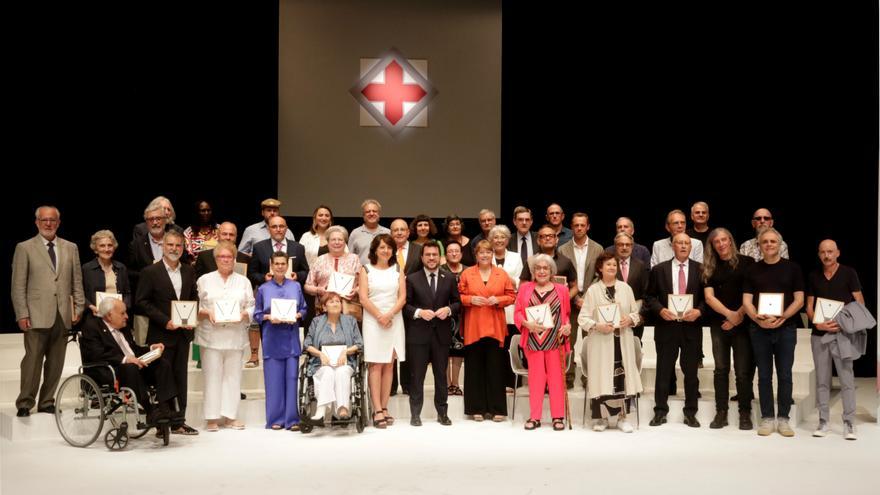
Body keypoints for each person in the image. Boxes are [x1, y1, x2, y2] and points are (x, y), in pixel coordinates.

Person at [11, 206, 84, 417]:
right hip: (35, 314)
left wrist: (77, 308)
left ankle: (47, 401)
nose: (48, 224)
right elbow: (18, 286)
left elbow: (76, 282)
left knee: (56, 362)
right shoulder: (24, 248)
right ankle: (25, 402)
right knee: (32, 361)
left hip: (62, 314)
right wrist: (22, 313)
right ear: (37, 222)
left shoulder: (71, 247)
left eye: (52, 220)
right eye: (44, 220)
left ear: (58, 223)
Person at [135, 230, 199, 435]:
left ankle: (179, 421)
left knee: (181, 378)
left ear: (183, 248)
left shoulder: (189, 271)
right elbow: (142, 302)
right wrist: (165, 321)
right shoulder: (150, 272)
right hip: (161, 335)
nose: (174, 249)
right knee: (163, 379)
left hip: (183, 335)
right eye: (170, 245)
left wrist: (192, 319)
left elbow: (193, 298)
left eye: (178, 245)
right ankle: (163, 423)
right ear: (163, 246)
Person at [742, 227, 804, 437]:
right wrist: (758, 318)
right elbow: (747, 302)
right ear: (759, 246)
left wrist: (783, 317)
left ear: (780, 245)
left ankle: (784, 419)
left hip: (786, 328)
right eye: (765, 242)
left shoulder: (793, 269)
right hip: (759, 329)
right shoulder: (752, 270)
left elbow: (799, 300)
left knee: (785, 375)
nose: (769, 245)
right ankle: (767, 418)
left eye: (772, 241)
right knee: (765, 376)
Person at [80, 298, 179, 425]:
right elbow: (96, 354)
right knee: (131, 367)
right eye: (122, 313)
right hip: (110, 371)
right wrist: (125, 359)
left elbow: (133, 351)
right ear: (109, 315)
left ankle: (166, 409)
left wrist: (150, 348)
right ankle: (151, 411)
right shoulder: (92, 327)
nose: (126, 316)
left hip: (133, 368)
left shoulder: (123, 328)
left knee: (162, 364)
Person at [578, 252, 643, 433]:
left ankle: (623, 417)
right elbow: (582, 319)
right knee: (601, 377)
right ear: (600, 268)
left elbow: (635, 314)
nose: (612, 267)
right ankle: (601, 419)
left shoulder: (625, 288)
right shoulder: (593, 290)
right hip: (601, 341)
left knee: (622, 377)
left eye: (614, 265)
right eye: (608, 265)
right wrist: (597, 325)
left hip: (622, 340)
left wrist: (629, 320)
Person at [805, 239, 864, 440]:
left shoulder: (849, 273)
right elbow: (809, 306)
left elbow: (859, 303)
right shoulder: (814, 275)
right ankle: (823, 421)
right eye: (823, 252)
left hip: (843, 334)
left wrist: (845, 323)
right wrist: (817, 323)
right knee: (822, 381)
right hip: (820, 335)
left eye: (830, 251)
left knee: (847, 380)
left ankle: (849, 422)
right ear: (819, 254)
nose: (827, 255)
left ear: (838, 252)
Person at [646, 233, 706, 428]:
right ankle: (660, 411)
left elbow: (707, 299)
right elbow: (649, 297)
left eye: (686, 243)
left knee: (691, 372)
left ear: (691, 247)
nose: (683, 246)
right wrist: (660, 309)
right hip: (666, 327)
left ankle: (691, 412)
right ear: (672, 246)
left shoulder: (701, 270)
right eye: (679, 243)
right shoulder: (658, 270)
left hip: (691, 328)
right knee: (663, 371)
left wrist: (699, 311)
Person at [195, 241, 255, 432]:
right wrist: (207, 313)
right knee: (212, 376)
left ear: (234, 259)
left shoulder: (243, 281)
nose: (225, 260)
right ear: (215, 259)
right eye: (221, 257)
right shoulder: (204, 280)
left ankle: (230, 417)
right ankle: (211, 418)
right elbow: (194, 305)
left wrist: (245, 314)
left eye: (229, 257)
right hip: (210, 336)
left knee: (233, 377)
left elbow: (252, 305)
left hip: (235, 336)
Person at [702, 228, 755, 430]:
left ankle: (744, 413)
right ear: (713, 245)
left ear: (731, 241)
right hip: (719, 324)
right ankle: (721, 412)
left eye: (725, 240)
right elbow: (709, 297)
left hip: (742, 324)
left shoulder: (748, 263)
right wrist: (729, 315)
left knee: (742, 372)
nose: (722, 244)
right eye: (717, 241)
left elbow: (751, 295)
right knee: (721, 370)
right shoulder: (709, 267)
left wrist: (737, 316)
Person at [403, 241, 461, 426]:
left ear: (439, 257)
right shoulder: (411, 278)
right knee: (417, 376)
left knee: (441, 376)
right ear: (422, 257)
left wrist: (449, 310)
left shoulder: (449, 278)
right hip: (418, 335)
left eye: (434, 255)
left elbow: (458, 303)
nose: (431, 258)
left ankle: (442, 413)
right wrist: (419, 313)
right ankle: (415, 414)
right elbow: (405, 306)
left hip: (441, 336)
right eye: (427, 255)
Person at [458, 240, 516, 422]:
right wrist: (469, 300)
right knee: (474, 368)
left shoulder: (501, 273)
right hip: (473, 326)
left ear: (493, 254)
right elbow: (458, 296)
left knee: (495, 368)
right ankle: (476, 408)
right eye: (481, 252)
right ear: (476, 255)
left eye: (488, 252)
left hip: (495, 326)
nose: (484, 255)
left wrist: (498, 300)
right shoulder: (467, 273)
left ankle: (497, 409)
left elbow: (512, 295)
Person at [514, 254, 572, 431]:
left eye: (545, 268)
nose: (541, 271)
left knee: (556, 380)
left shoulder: (562, 290)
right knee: (536, 380)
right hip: (533, 340)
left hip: (555, 341)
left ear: (551, 271)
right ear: (532, 271)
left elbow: (567, 315)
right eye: (537, 268)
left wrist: (568, 326)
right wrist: (526, 324)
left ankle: (557, 417)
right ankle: (535, 416)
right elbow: (517, 313)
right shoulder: (525, 289)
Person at [253, 251, 306, 430]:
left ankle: (292, 419)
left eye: (283, 264)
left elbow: (304, 309)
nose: (280, 267)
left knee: (292, 379)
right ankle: (276, 419)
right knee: (274, 380)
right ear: (271, 266)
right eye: (277, 264)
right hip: (272, 338)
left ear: (287, 266)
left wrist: (298, 314)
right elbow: (257, 314)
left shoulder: (296, 286)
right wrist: (269, 317)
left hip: (290, 337)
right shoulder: (263, 289)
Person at [358, 234, 406, 428]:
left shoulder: (397, 269)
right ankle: (376, 409)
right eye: (382, 247)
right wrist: (379, 316)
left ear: (393, 250)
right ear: (375, 250)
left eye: (389, 247)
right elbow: (363, 298)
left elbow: (402, 297)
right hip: (373, 320)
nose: (385, 251)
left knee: (389, 364)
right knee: (376, 365)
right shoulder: (366, 269)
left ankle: (385, 407)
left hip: (394, 320)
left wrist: (389, 315)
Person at [303, 293, 363, 422]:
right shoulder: (316, 322)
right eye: (331, 302)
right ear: (324, 307)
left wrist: (345, 352)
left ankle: (342, 408)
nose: (336, 304)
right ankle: (321, 410)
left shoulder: (350, 321)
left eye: (338, 301)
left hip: (345, 363)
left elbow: (359, 344)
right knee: (328, 372)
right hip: (321, 363)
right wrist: (320, 354)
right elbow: (307, 344)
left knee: (341, 372)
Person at [488, 225, 522, 390]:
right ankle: (496, 381)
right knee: (496, 347)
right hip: (491, 307)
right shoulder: (486, 256)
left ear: (508, 240)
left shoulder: (516, 257)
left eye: (502, 237)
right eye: (496, 237)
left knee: (511, 346)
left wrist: (503, 278)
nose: (499, 240)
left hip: (511, 307)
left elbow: (520, 281)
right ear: (491, 240)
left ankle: (511, 382)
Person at [303, 226, 361, 315]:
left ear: (345, 242)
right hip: (324, 309)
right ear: (328, 242)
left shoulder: (354, 259)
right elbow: (307, 286)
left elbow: (363, 284)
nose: (337, 242)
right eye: (333, 240)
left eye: (340, 239)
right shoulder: (319, 260)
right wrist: (318, 290)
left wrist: (356, 291)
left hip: (349, 309)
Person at [82, 230, 132, 320]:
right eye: (102, 246)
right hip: (95, 317)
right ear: (95, 249)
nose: (106, 249)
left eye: (110, 245)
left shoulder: (121, 268)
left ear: (114, 247)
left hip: (117, 317)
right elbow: (80, 294)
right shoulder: (87, 269)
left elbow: (127, 293)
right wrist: (90, 306)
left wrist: (123, 307)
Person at [440, 240, 469, 396]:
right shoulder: (439, 270)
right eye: (450, 251)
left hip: (463, 315)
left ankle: (455, 384)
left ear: (461, 253)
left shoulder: (469, 271)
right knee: (444, 349)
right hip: (442, 314)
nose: (454, 253)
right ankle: (445, 383)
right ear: (446, 254)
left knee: (458, 349)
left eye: (456, 251)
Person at [611, 232, 649, 341]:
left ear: (632, 246)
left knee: (634, 351)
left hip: (634, 319)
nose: (624, 247)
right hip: (613, 319)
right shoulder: (609, 265)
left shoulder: (641, 266)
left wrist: (640, 316)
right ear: (615, 246)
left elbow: (646, 294)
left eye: (628, 245)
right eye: (620, 244)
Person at [348, 198, 391, 265]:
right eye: (368, 211)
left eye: (374, 211)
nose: (371, 213)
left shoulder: (387, 232)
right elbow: (349, 258)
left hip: (384, 273)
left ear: (379, 214)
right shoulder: (355, 233)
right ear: (363, 215)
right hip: (361, 273)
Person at [300, 205, 335, 269]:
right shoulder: (306, 237)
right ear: (315, 218)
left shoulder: (337, 236)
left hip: (333, 276)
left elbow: (346, 257)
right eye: (320, 215)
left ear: (330, 219)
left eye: (327, 216)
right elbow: (299, 258)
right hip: (310, 276)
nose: (324, 218)